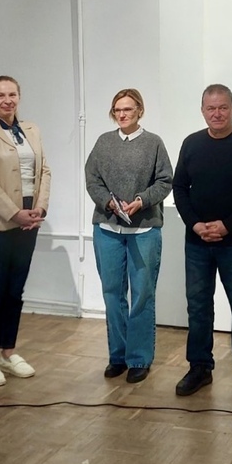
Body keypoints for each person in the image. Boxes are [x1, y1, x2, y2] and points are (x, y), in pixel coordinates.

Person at [173, 84, 232, 403]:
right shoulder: (191, 143)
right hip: (197, 241)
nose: (217, 113)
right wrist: (196, 224)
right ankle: (200, 367)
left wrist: (227, 226)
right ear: (202, 111)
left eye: (223, 107)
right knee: (198, 307)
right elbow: (179, 188)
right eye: (211, 108)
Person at [0, 75, 51, 387]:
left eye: (12, 94)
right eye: (0, 95)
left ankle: (7, 352)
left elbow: (44, 171)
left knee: (15, 292)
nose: (7, 100)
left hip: (28, 223)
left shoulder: (31, 130)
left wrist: (39, 209)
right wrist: (14, 213)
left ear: (19, 96)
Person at [85, 89, 173, 383]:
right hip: (108, 229)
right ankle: (118, 356)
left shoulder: (153, 143)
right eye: (117, 110)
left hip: (144, 229)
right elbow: (92, 179)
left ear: (139, 111)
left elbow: (165, 181)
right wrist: (108, 203)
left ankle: (139, 358)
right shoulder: (103, 142)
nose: (122, 114)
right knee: (112, 294)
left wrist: (141, 200)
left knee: (142, 295)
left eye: (128, 109)